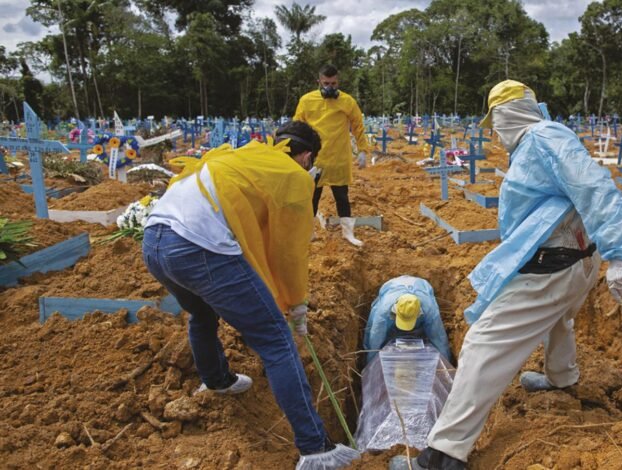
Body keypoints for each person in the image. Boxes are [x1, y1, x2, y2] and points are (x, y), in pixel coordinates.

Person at [413, 81, 622, 469]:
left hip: (556, 265)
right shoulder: (538, 141)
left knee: (484, 344)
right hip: (575, 261)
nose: (495, 134)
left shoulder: (542, 138)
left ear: (506, 116)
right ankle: (561, 378)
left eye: (495, 123)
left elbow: (594, 186)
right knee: (559, 319)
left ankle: (444, 452)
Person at [142, 121, 359, 470]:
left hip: (154, 240)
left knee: (202, 314)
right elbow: (289, 250)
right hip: (198, 247)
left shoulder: (248, 153)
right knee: (275, 339)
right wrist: (296, 305)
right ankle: (316, 447)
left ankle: (217, 381)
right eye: (309, 160)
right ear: (305, 155)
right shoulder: (294, 175)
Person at [294, 64, 372, 247]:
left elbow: (358, 125)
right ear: (319, 82)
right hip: (315, 158)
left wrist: (362, 150)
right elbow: (297, 125)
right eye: (326, 83)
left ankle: (348, 233)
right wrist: (296, 153)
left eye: (334, 83)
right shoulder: (307, 101)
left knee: (342, 196)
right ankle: (309, 232)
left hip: (339, 157)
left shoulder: (347, 101)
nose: (330, 87)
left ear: (339, 82)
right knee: (312, 196)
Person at [363, 276, 451, 363]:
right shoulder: (383, 310)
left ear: (418, 313)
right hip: (392, 286)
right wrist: (370, 363)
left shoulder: (429, 309)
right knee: (375, 330)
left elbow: (438, 337)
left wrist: (446, 363)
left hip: (421, 286)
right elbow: (375, 337)